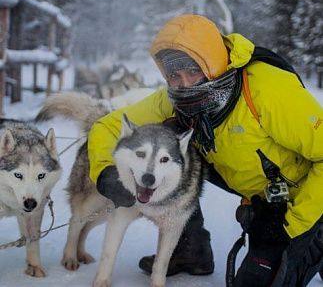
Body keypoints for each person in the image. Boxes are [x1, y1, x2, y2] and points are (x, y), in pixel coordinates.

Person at [88, 14, 323, 286]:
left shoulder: (265, 90)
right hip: (266, 202)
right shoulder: (173, 100)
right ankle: (191, 249)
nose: (185, 84)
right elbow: (107, 127)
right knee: (173, 149)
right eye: (174, 75)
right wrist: (105, 171)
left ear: (213, 63)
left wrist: (290, 227)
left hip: (307, 200)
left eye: (194, 70)